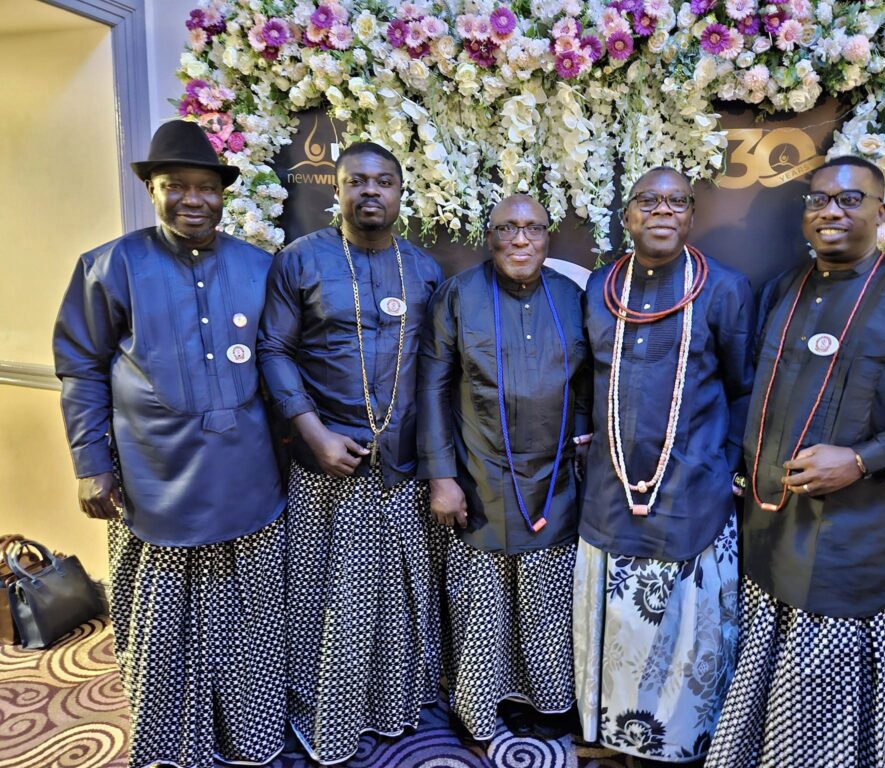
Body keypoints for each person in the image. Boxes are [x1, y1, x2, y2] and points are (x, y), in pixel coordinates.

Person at [705, 155, 885, 768]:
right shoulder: (783, 288)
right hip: (771, 522)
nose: (830, 211)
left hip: (854, 534)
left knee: (825, 707)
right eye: (818, 200)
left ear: (881, 212)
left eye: (849, 199)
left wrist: (861, 459)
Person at [53, 120, 287, 768]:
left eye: (205, 187)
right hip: (153, 478)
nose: (192, 199)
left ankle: (250, 736)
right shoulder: (109, 266)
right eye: (175, 186)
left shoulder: (260, 267)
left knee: (249, 623)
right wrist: (91, 463)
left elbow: (281, 365)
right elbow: (80, 367)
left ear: (222, 193)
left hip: (245, 478)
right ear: (151, 190)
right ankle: (171, 746)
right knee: (163, 628)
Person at [257, 141, 444, 763]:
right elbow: (273, 350)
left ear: (400, 192)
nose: (370, 191)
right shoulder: (299, 260)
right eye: (357, 181)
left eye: (383, 181)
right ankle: (327, 713)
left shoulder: (423, 270)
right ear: (336, 189)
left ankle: (395, 705)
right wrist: (313, 433)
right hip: (327, 464)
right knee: (331, 599)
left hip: (401, 466)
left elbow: (437, 371)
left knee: (395, 598)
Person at [573, 167, 754, 765]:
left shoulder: (724, 289)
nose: (663, 210)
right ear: (627, 216)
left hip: (693, 493)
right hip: (611, 490)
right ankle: (611, 738)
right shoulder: (600, 287)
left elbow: (743, 388)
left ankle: (674, 747)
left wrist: (723, 467)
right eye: (648, 200)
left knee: (680, 636)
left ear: (692, 216)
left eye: (678, 201)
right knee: (619, 626)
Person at [418, 194, 591, 741]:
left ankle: (548, 705)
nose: (520, 239)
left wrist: (584, 434)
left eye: (533, 228)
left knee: (546, 607)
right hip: (480, 474)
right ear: (489, 236)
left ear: (547, 236)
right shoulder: (458, 295)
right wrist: (441, 476)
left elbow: (588, 380)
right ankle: (477, 711)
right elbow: (432, 388)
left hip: (554, 481)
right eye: (507, 228)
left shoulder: (571, 296)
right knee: (482, 611)